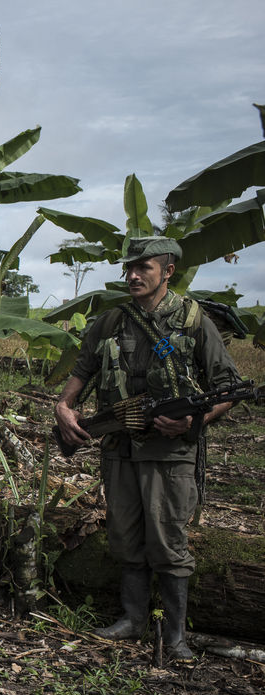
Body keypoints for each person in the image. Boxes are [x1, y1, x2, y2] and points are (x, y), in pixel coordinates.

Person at [54, 237, 240, 660]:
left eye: (144, 268)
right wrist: (64, 407)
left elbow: (227, 388)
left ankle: (175, 636)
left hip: (169, 453)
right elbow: (82, 371)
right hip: (119, 448)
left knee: (168, 540)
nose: (134, 276)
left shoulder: (194, 320)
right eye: (130, 268)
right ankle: (132, 620)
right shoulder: (112, 320)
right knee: (124, 535)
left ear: (168, 272)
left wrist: (194, 421)